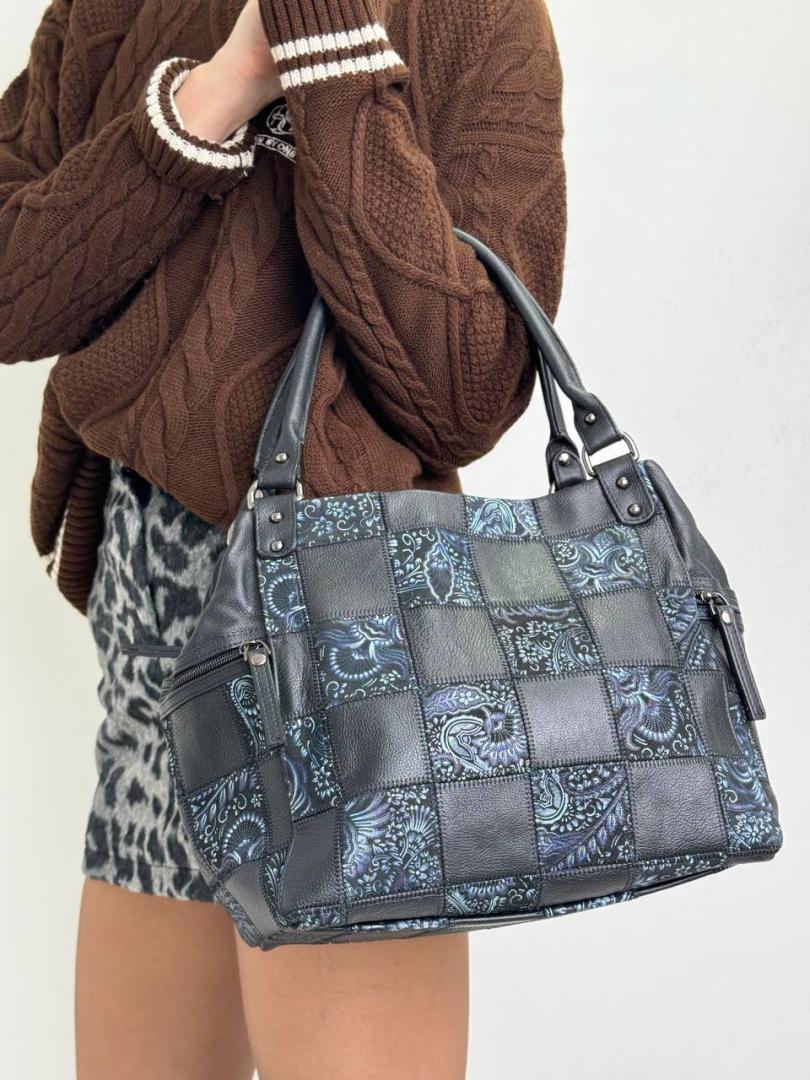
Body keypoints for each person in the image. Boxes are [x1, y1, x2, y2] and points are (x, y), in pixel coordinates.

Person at [0, 0, 566, 1076]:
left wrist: (326, 51)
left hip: (349, 667)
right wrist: (213, 97)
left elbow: (468, 391)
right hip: (154, 645)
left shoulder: (474, 15)